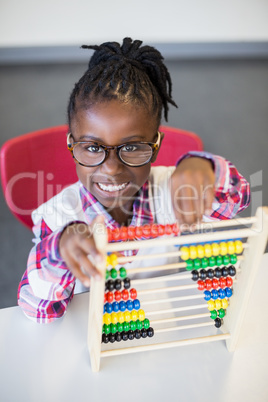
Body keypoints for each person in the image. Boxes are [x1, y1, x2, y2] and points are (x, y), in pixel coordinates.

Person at [18, 38, 250, 323]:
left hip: (162, 331)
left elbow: (236, 199)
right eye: (92, 148)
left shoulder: (174, 192)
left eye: (131, 147)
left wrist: (203, 165)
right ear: (71, 144)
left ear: (156, 143)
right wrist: (57, 252)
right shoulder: (57, 218)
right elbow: (36, 310)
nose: (112, 168)